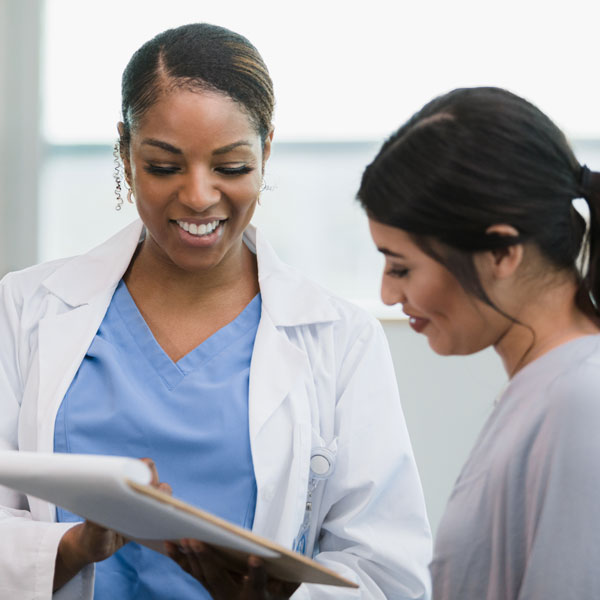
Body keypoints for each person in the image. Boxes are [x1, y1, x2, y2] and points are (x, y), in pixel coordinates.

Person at [0, 23, 432, 600]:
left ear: (266, 151)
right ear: (126, 153)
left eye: (230, 166)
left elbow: (388, 573)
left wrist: (269, 595)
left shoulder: (339, 340)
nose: (200, 196)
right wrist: (74, 546)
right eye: (163, 165)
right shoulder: (26, 310)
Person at [357, 86, 600, 599]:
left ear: (501, 251)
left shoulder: (581, 402)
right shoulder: (547, 389)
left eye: (401, 266)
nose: (387, 291)